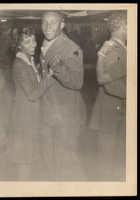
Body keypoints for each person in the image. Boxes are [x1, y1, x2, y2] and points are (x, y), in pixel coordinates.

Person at [40, 11, 87, 180]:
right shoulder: (46, 43)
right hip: (49, 112)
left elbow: (77, 82)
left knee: (66, 164)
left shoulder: (71, 48)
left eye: (53, 23)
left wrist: (60, 68)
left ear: (62, 25)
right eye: (44, 22)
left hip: (66, 116)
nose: (48, 26)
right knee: (50, 160)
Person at [7, 26, 54, 181]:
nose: (33, 44)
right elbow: (33, 94)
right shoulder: (20, 65)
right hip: (24, 122)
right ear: (18, 45)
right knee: (24, 162)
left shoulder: (28, 60)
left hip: (30, 119)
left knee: (29, 160)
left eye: (33, 40)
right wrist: (50, 77)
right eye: (27, 42)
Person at [89, 11, 127, 180]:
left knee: (113, 157)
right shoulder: (114, 48)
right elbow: (108, 83)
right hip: (110, 111)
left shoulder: (120, 47)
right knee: (107, 159)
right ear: (124, 26)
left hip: (115, 111)